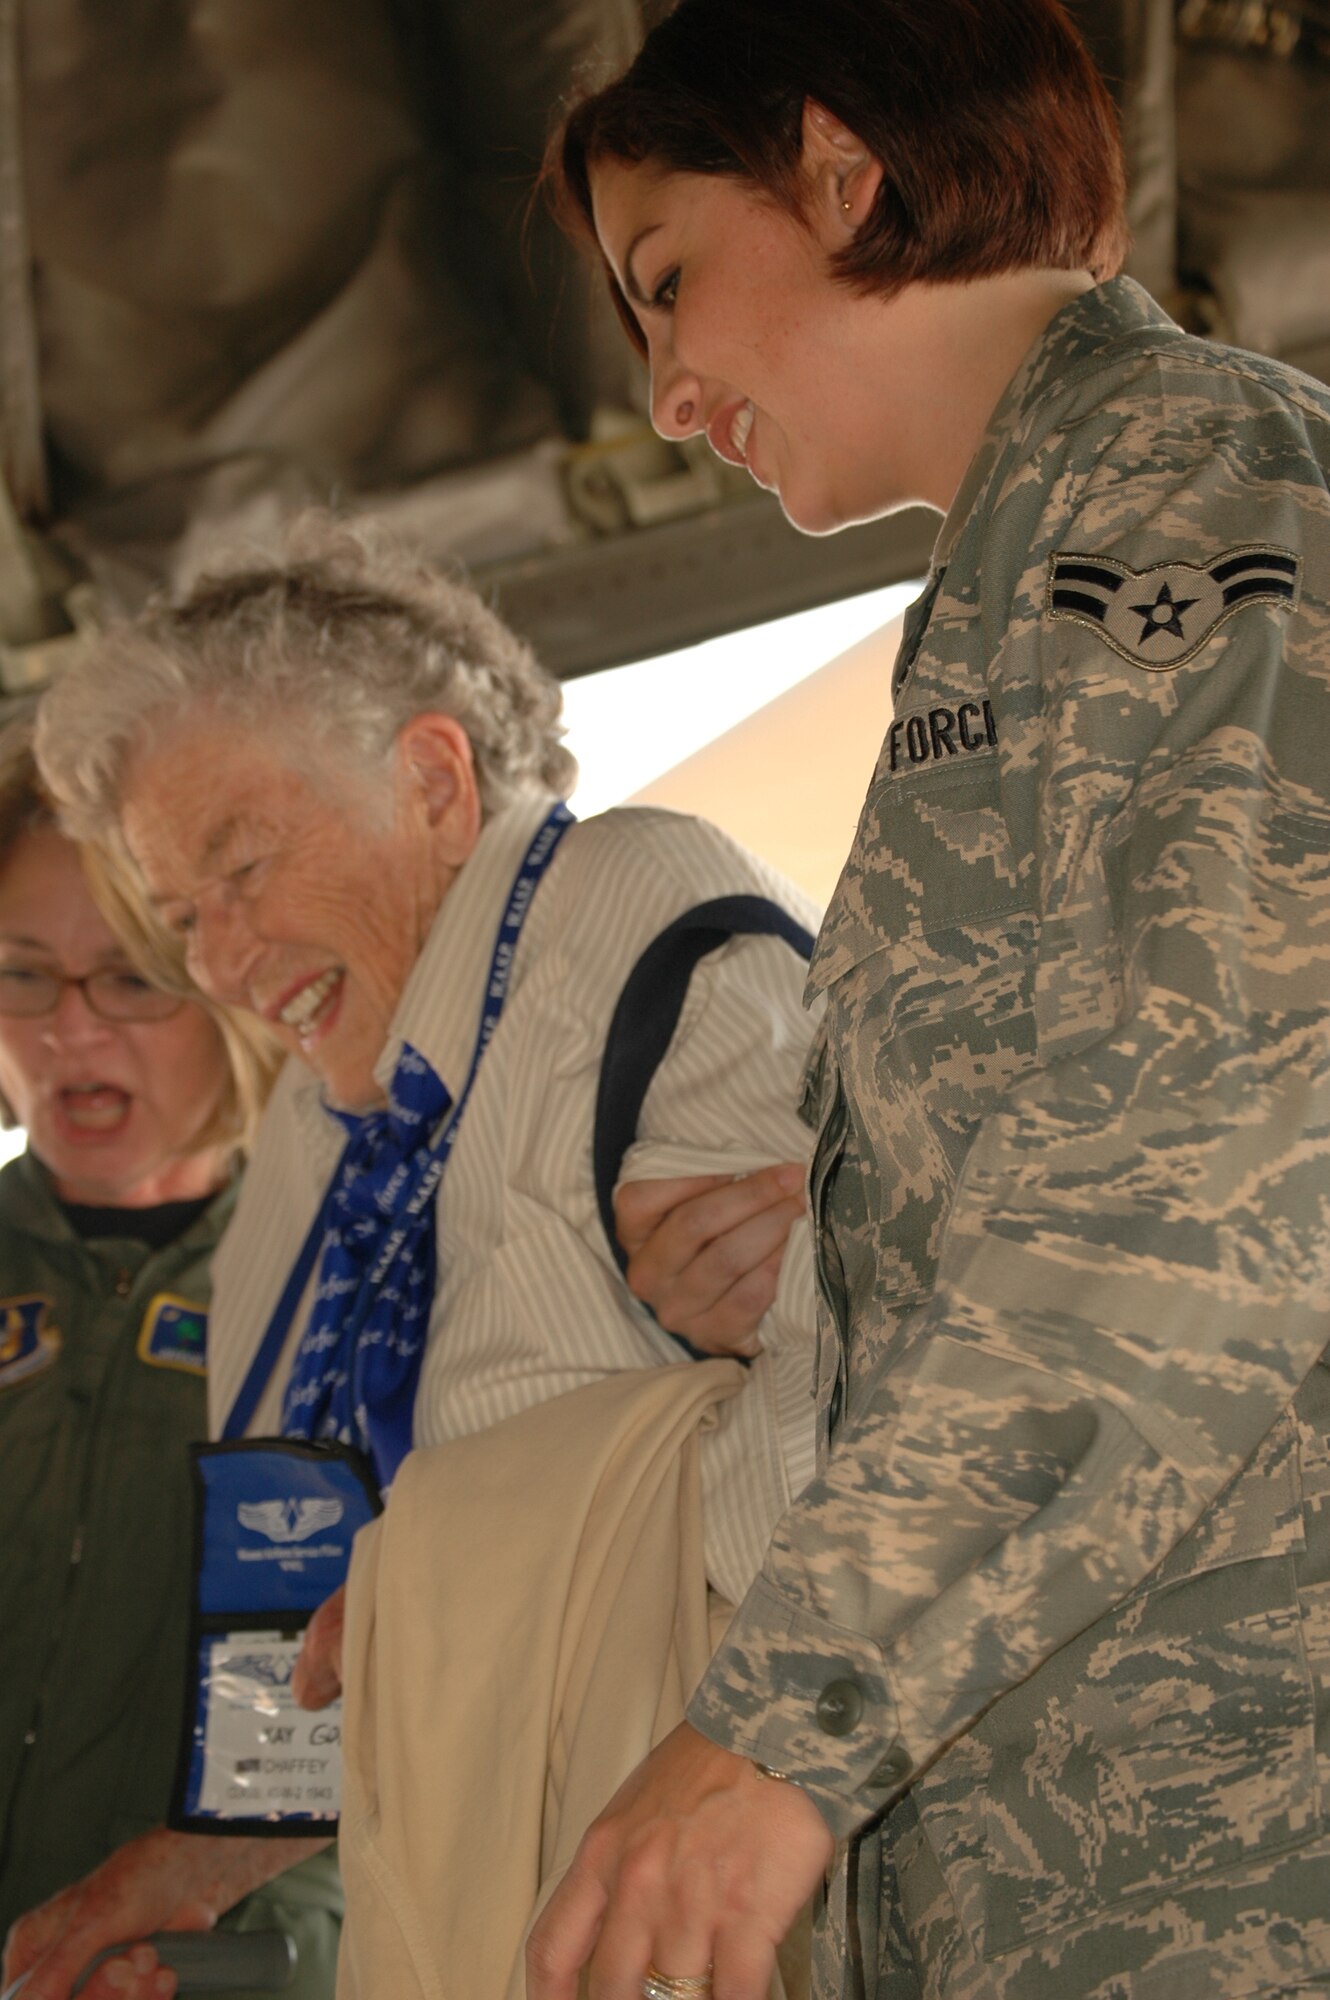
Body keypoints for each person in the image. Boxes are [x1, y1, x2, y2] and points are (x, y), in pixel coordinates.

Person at [525, 3, 1330, 1997]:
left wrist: (783, 1729)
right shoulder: (1037, 555)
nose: (666, 391)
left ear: (834, 169)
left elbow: (1198, 1158)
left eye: (669, 282)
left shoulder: (1182, 483)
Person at [27, 513, 822, 1999]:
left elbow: (850, 1416)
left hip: (698, 1893)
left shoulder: (626, 907)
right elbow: (326, 1617)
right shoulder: (308, 1148)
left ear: (437, 783)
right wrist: (202, 1862)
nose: (211, 959)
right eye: (182, 915)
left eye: (243, 866)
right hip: (480, 1910)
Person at [0, 718, 343, 2000]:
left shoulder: (346, 1282)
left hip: (221, 1969)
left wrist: (239, 1950)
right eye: (23, 972)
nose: (69, 1032)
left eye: (131, 979)